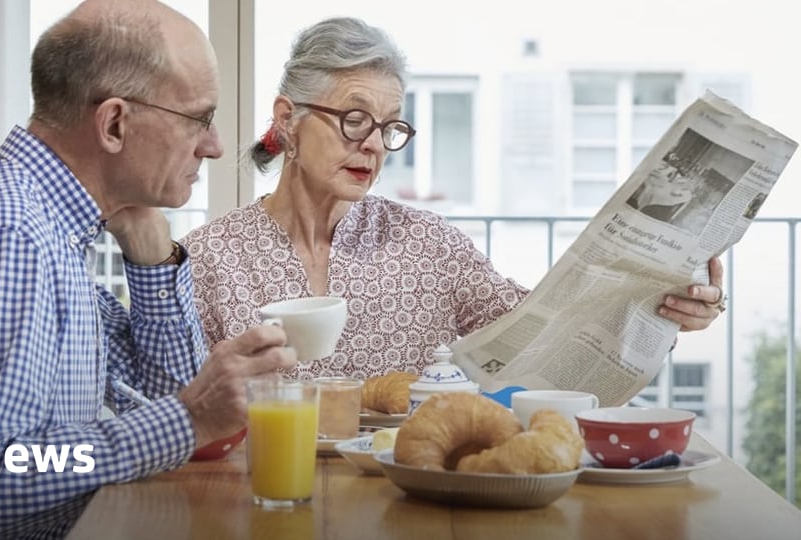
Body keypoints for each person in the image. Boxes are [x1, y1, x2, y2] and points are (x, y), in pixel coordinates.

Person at [0, 1, 294, 537]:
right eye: (200, 118)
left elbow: (166, 390)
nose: (215, 147)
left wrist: (153, 262)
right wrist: (188, 418)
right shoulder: (8, 239)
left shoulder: (52, 229)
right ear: (115, 123)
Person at [183, 17, 725, 380]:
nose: (373, 143)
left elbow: (546, 337)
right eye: (353, 119)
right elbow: (180, 419)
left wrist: (657, 304)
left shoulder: (431, 246)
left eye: (389, 126)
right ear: (288, 119)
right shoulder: (206, 259)